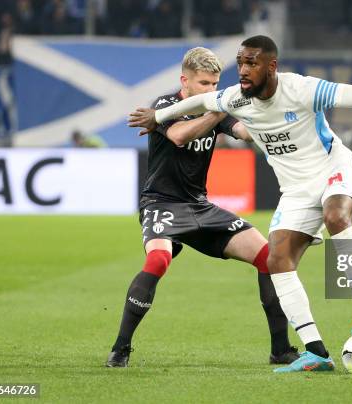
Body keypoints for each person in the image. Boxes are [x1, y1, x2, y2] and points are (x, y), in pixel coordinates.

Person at [128, 35, 352, 373]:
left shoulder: (302, 89)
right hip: (296, 190)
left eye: (251, 63)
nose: (243, 71)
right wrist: (158, 117)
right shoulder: (234, 98)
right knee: (277, 259)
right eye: (240, 63)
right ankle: (316, 352)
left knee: (336, 216)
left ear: (271, 67)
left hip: (334, 170)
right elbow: (194, 106)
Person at [106, 47, 298, 367]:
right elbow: (180, 136)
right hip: (161, 203)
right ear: (185, 81)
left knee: (269, 257)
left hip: (200, 206)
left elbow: (244, 133)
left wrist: (274, 119)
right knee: (158, 260)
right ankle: (120, 349)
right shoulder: (166, 106)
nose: (211, 90)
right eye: (205, 84)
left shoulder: (215, 108)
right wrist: (220, 111)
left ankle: (280, 349)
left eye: (215, 84)